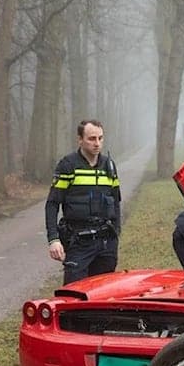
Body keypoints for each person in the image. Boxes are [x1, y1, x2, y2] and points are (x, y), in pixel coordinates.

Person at [45, 120, 121, 285]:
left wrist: (116, 234)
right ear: (80, 139)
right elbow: (52, 204)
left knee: (102, 296)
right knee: (74, 295)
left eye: (100, 138)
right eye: (92, 139)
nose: (97, 143)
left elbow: (116, 202)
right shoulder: (68, 166)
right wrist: (53, 239)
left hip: (106, 243)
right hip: (78, 243)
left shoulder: (109, 166)